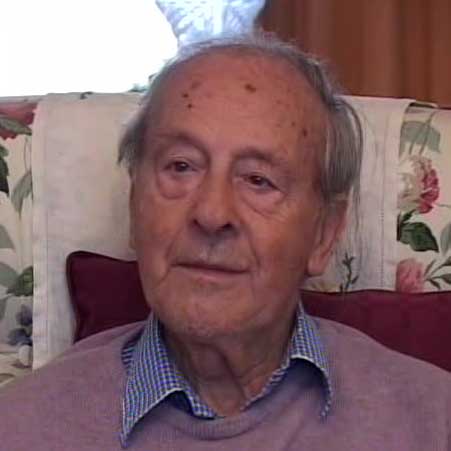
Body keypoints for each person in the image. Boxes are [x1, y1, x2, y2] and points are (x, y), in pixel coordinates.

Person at [0, 33, 450, 451]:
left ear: (324, 233)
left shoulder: (432, 421)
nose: (212, 214)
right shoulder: (22, 427)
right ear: (136, 207)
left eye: (258, 180)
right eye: (181, 167)